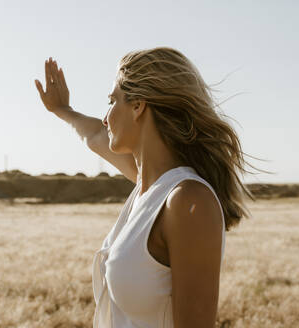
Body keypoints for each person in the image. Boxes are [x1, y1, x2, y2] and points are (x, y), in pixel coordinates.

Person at [35, 47, 264, 328]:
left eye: (112, 100)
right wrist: (63, 110)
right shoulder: (150, 185)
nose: (106, 117)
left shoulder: (187, 199)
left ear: (138, 105)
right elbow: (94, 135)